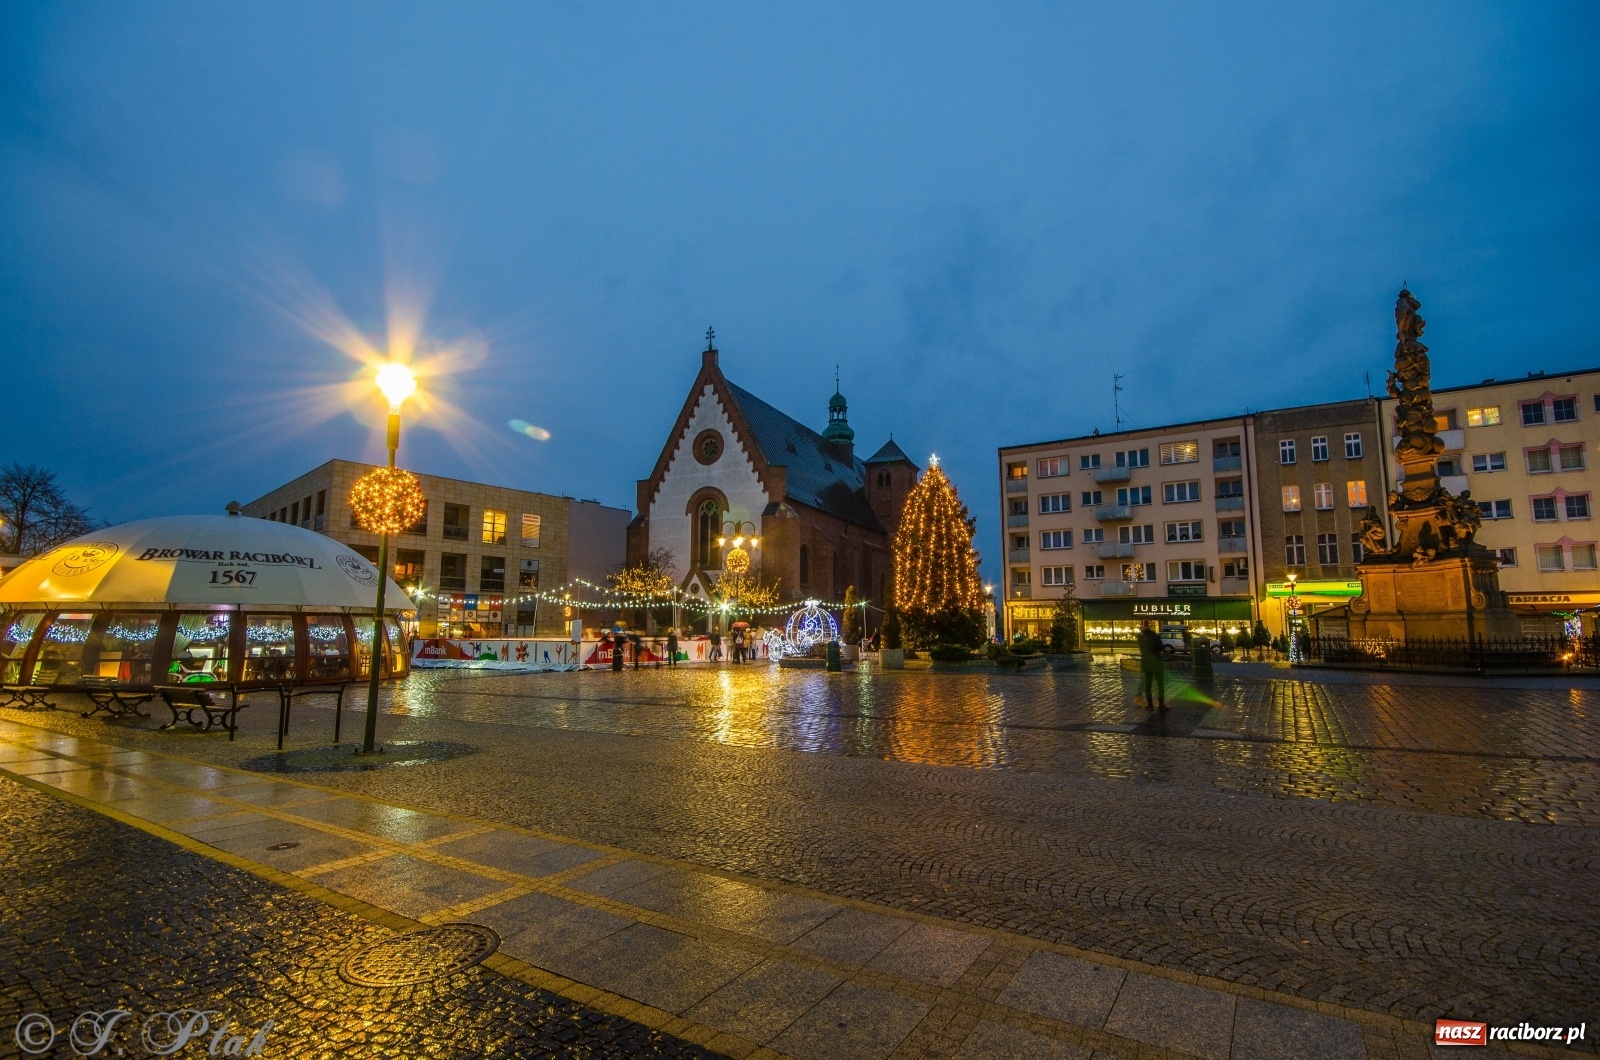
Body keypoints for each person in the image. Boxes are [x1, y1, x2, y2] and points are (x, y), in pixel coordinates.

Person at [1136, 621, 1166, 709]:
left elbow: (1142, 650)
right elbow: (1160, 648)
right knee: (1160, 685)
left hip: (1146, 663)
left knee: (1148, 685)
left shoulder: (1140, 638)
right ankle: (1160, 704)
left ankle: (1150, 705)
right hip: (1157, 662)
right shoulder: (1155, 636)